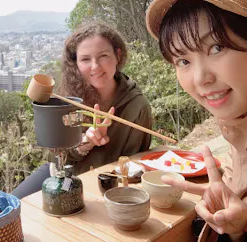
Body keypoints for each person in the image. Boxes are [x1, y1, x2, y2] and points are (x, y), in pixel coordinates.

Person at [145, 0, 247, 241]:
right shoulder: (240, 128)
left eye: (217, 47)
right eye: (183, 60)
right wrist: (241, 227)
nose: (200, 79)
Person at [12, 22, 152, 199]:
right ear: (76, 64)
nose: (95, 66)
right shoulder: (70, 99)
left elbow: (133, 167)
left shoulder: (137, 107)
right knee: (7, 208)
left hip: (102, 186)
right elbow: (54, 157)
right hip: (59, 174)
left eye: (103, 56)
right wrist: (85, 143)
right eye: (85, 59)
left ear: (117, 55)